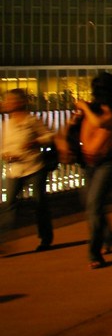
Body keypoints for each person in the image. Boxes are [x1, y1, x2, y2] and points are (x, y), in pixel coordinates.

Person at [57, 72, 112, 269]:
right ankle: (108, 236)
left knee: (95, 203)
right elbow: (73, 128)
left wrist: (84, 107)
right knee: (90, 204)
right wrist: (74, 122)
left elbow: (101, 123)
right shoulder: (93, 107)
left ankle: (94, 252)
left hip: (107, 161)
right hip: (87, 161)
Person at [0, 89, 55, 252]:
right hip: (15, 169)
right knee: (9, 204)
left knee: (39, 203)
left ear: (20, 102)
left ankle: (45, 238)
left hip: (34, 167)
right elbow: (3, 147)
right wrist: (6, 155)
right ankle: (2, 239)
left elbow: (49, 136)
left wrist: (34, 142)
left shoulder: (32, 121)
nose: (6, 104)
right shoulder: (6, 124)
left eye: (10, 101)